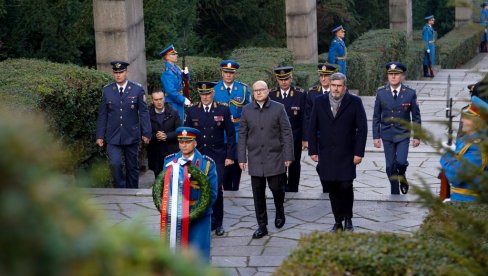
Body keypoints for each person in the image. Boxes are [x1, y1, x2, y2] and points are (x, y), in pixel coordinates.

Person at [308, 72, 367, 233]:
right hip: (326, 153)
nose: (335, 88)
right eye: (333, 85)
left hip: (347, 153)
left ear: (344, 87)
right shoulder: (319, 102)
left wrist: (359, 152)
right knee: (333, 188)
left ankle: (348, 219)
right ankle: (338, 221)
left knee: (346, 185)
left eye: (339, 86)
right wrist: (313, 150)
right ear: (329, 85)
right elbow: (312, 127)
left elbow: (362, 129)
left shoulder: (354, 102)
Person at [238, 80, 294, 239]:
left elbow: (286, 133)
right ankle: (262, 225)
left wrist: (288, 155)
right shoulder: (247, 110)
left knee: (277, 189)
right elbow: (242, 135)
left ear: (268, 90)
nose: (259, 93)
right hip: (255, 158)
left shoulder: (278, 108)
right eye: (255, 90)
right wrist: (241, 157)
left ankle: (279, 211)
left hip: (275, 157)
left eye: (262, 90)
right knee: (258, 194)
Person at [185, 81, 236, 236]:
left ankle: (218, 222)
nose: (205, 97)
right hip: (199, 155)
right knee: (198, 187)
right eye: (202, 94)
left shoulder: (223, 109)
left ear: (213, 94)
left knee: (217, 188)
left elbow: (231, 134)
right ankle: (203, 219)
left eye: (207, 94)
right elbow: (187, 135)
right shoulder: (192, 110)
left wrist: (230, 156)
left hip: (218, 155)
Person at [162, 127, 218, 262]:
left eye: (188, 142)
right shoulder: (169, 162)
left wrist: (195, 212)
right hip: (176, 217)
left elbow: (213, 193)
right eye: (181, 142)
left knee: (199, 256)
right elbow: (163, 190)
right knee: (175, 255)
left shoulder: (207, 164)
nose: (184, 145)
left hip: (200, 217)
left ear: (195, 143)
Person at [95, 61, 151, 188]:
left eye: (121, 72)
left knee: (132, 167)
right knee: (115, 164)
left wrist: (146, 132)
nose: (118, 75)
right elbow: (103, 115)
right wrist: (100, 135)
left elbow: (143, 112)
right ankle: (120, 190)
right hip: (113, 136)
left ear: (126, 72)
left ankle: (131, 191)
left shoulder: (137, 89)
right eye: (116, 72)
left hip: (131, 135)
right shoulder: (107, 90)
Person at [372, 62, 421, 195]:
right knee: (389, 167)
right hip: (387, 134)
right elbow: (376, 116)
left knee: (400, 162)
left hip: (402, 134)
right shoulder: (381, 93)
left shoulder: (410, 93)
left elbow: (416, 116)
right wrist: (376, 136)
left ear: (402, 76)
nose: (393, 77)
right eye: (390, 74)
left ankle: (402, 175)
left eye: (396, 74)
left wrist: (417, 136)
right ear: (387, 76)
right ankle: (395, 192)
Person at [440, 96, 488, 202]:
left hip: (470, 202)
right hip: (460, 199)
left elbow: (456, 176)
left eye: (467, 118)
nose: (462, 120)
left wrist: (447, 155)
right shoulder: (467, 140)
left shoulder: (478, 148)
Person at [214, 59, 251, 191]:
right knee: (223, 160)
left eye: (231, 73)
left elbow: (249, 110)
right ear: (222, 73)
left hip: (237, 130)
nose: (228, 75)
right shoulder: (214, 89)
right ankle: (225, 187)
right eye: (226, 72)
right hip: (220, 130)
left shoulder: (243, 89)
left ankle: (235, 187)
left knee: (236, 159)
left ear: (235, 73)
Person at [269, 66, 306, 192]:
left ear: (291, 78)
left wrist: (305, 138)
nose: (283, 82)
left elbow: (304, 118)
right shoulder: (272, 94)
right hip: (277, 137)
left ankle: (293, 188)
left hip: (295, 136)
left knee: (294, 164)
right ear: (277, 80)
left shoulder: (300, 94)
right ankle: (282, 187)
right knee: (279, 164)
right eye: (281, 79)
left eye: (286, 79)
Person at [304, 63, 338, 193]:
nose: (323, 79)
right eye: (321, 75)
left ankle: (333, 185)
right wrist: (307, 138)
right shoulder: (312, 93)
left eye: (327, 76)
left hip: (336, 135)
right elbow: (307, 117)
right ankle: (327, 187)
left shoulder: (338, 91)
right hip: (319, 135)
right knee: (321, 165)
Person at [147, 90, 181, 178]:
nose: (159, 102)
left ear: (164, 99)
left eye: (161, 99)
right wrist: (155, 136)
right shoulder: (147, 114)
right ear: (152, 101)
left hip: (171, 151)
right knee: (158, 180)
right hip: (155, 152)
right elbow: (143, 132)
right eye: (156, 99)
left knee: (172, 179)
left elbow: (179, 131)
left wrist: (167, 136)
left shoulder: (174, 112)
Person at [160, 44, 191, 121]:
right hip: (171, 102)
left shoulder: (176, 68)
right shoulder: (167, 72)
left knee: (180, 122)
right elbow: (170, 90)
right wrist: (183, 99)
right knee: (175, 125)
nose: (176, 55)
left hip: (177, 100)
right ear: (167, 57)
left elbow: (184, 81)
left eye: (175, 53)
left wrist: (186, 75)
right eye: (173, 54)